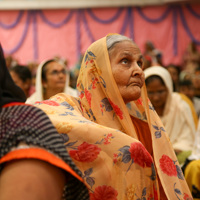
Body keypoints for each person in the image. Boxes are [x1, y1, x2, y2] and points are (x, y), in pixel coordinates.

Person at [34, 34, 192, 199]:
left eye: (140, 63)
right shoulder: (68, 106)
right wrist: (119, 143)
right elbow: (39, 117)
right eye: (125, 61)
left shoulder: (145, 128)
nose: (139, 71)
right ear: (97, 69)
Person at [0, 44, 89, 199]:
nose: (61, 76)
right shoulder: (32, 102)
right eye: (55, 72)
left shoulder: (22, 121)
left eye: (63, 72)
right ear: (44, 81)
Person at [144, 66, 196, 164]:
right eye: (150, 92)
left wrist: (171, 152)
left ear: (168, 87)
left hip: (178, 155)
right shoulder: (140, 109)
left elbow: (188, 139)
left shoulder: (180, 105)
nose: (156, 97)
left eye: (160, 91)